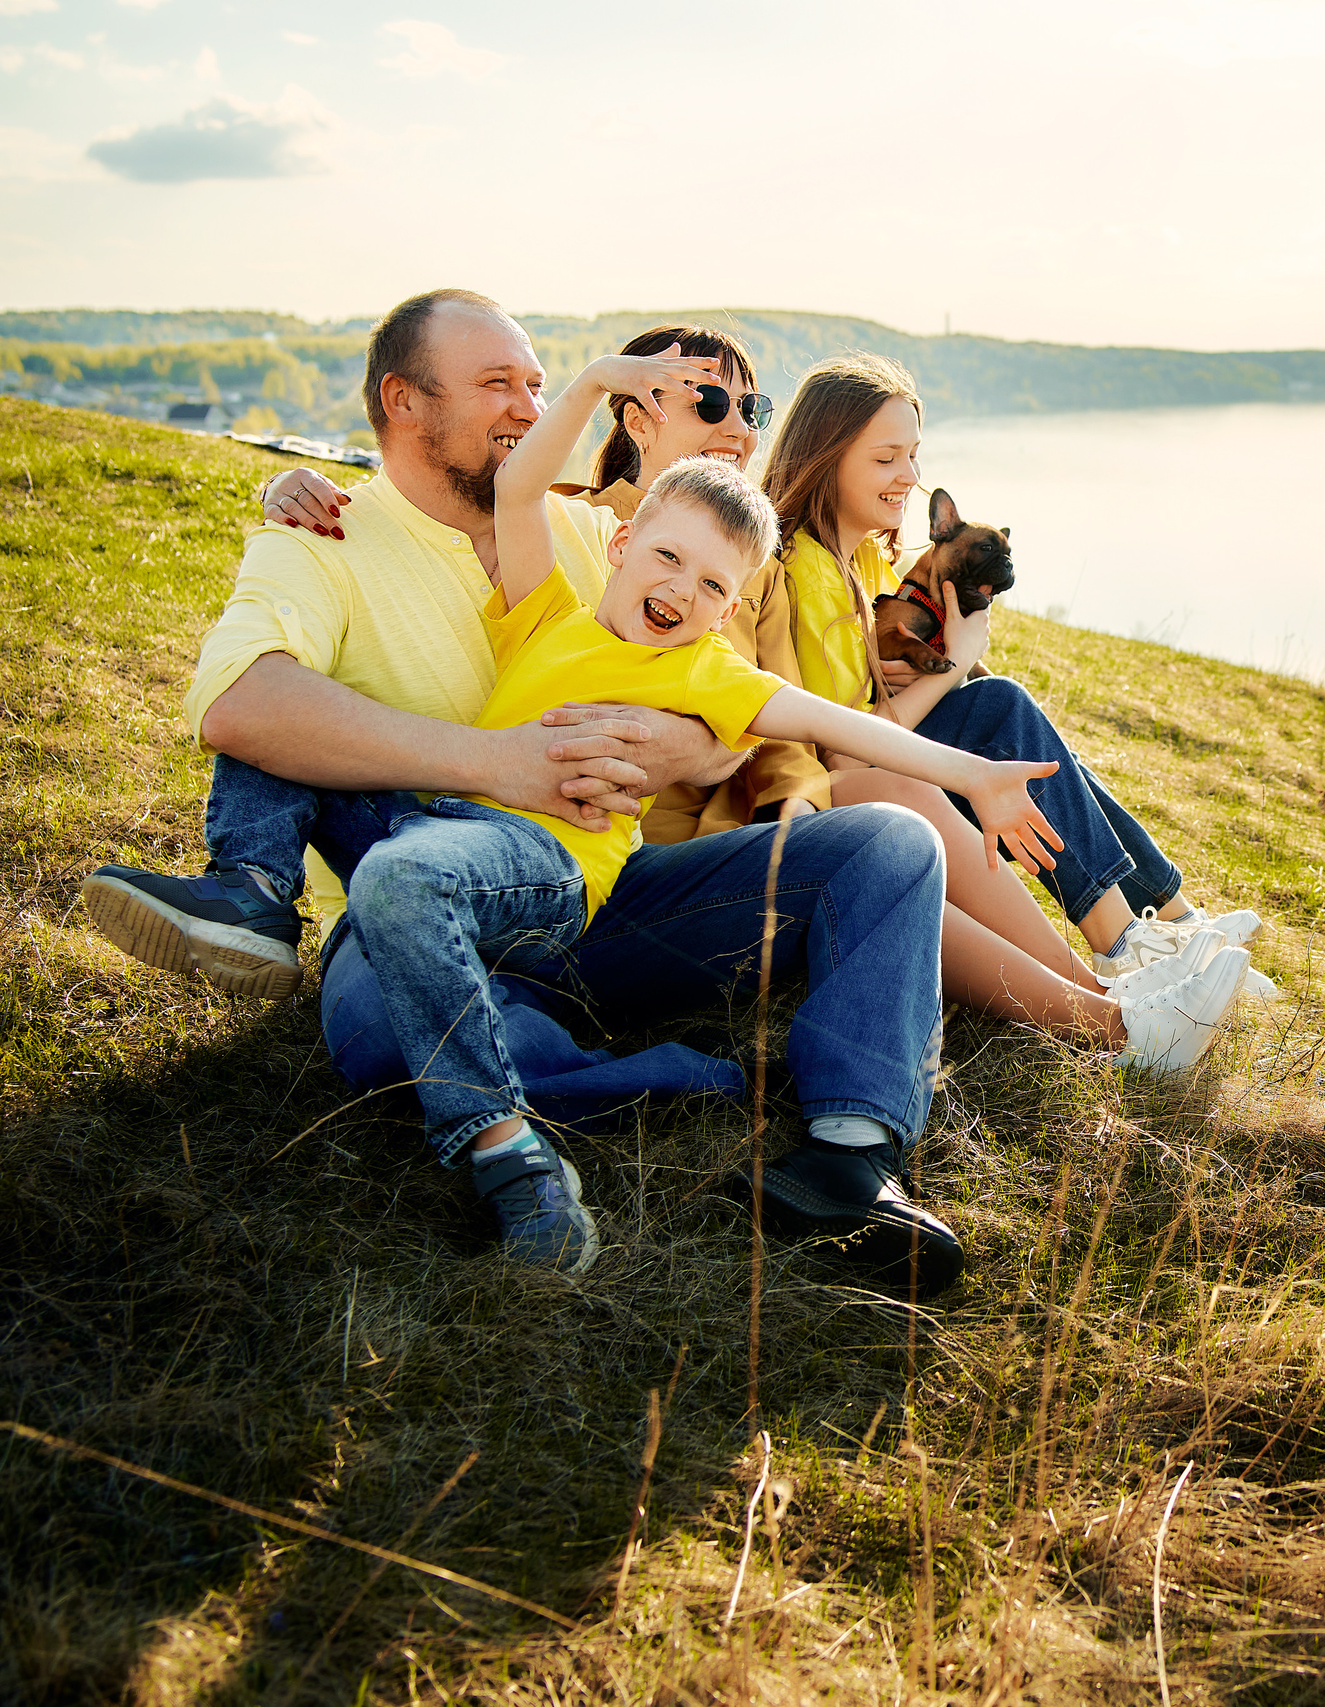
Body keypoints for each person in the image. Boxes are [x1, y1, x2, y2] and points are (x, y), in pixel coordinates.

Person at [108, 289, 967, 1296]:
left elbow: (722, 674)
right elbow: (244, 708)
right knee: (379, 1022)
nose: (527, 407)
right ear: (403, 402)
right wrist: (498, 765)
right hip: (422, 908)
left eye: (536, 384)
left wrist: (677, 750)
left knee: (889, 846)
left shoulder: (584, 531)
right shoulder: (317, 535)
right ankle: (635, 1081)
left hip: (601, 891)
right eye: (494, 385)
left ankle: (850, 1158)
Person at [259, 328, 1268, 1057]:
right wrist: (596, 373)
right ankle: (1115, 983)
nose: (738, 424)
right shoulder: (578, 565)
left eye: (750, 407)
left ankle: (1119, 983)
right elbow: (513, 489)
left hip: (623, 865)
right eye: (711, 402)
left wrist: (963, 768)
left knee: (911, 796)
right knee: (888, 805)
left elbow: (801, 714)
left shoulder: (727, 602)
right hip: (565, 856)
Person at [759, 354, 1266, 982]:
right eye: (885, 458)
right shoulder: (809, 569)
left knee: (1031, 737)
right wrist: (954, 667)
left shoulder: (861, 563)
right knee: (996, 706)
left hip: (888, 756)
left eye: (913, 455)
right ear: (826, 458)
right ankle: (1124, 942)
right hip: (843, 797)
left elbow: (882, 698)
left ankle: (1176, 919)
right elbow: (846, 752)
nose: (909, 475)